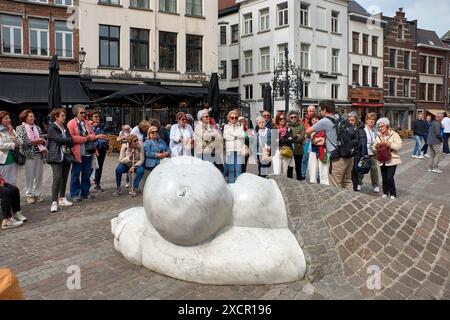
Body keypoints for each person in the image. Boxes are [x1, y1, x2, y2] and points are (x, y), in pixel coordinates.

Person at [306, 100, 354, 190]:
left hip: (337, 157)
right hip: (349, 155)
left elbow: (308, 131)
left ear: (324, 109)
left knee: (335, 184)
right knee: (347, 182)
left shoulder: (325, 121)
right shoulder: (341, 118)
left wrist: (314, 133)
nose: (320, 112)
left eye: (320, 110)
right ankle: (350, 201)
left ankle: (339, 203)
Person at [67, 105, 100, 202]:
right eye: (81, 112)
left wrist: (91, 137)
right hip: (77, 152)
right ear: (75, 113)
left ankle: (85, 192)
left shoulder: (86, 122)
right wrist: (85, 138)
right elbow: (71, 138)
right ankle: (74, 194)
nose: (83, 114)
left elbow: (93, 134)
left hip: (88, 152)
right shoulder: (71, 123)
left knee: (86, 173)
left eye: (84, 112)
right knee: (76, 174)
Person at [16, 109, 47, 204]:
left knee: (39, 176)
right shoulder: (20, 128)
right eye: (30, 116)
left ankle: (37, 194)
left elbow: (41, 138)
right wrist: (35, 141)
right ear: (25, 118)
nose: (33, 118)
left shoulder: (37, 127)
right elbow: (22, 142)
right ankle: (29, 194)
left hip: (39, 154)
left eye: (33, 116)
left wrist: (42, 140)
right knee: (29, 176)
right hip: (29, 155)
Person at [47, 108, 74, 213]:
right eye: (62, 115)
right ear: (56, 117)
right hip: (56, 156)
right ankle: (54, 202)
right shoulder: (52, 128)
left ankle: (62, 198)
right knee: (57, 178)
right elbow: (59, 140)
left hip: (66, 155)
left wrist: (67, 140)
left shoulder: (65, 127)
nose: (64, 117)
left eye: (64, 115)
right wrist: (67, 140)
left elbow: (71, 141)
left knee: (64, 177)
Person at [373, 118, 402, 200]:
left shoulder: (394, 134)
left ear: (387, 126)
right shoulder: (378, 135)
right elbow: (374, 148)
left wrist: (389, 144)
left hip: (392, 159)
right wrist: (377, 145)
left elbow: (399, 146)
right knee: (384, 177)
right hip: (382, 159)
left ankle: (393, 193)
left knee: (389, 177)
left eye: (382, 126)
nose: (380, 128)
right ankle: (385, 192)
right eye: (379, 126)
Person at [0, 111, 23, 186]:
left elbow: (21, 142)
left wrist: (12, 133)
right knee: (4, 182)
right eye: (5, 118)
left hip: (14, 159)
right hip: (3, 160)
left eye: (9, 118)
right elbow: (1, 146)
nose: (8, 120)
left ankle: (12, 197)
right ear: (0, 120)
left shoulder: (11, 129)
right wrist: (13, 145)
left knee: (13, 181)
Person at [359, 113, 380, 193]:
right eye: (369, 119)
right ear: (366, 120)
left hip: (373, 152)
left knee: (374, 169)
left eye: (373, 120)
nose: (371, 121)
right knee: (362, 168)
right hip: (364, 151)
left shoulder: (375, 130)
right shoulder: (362, 129)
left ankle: (375, 185)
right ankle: (359, 183)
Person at [347, 112, 368, 192]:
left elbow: (363, 144)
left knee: (354, 175)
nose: (350, 122)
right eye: (349, 120)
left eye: (352, 120)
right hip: (348, 155)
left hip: (356, 156)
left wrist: (364, 156)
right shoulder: (347, 129)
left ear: (356, 120)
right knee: (348, 174)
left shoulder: (361, 130)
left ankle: (354, 190)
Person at [223, 109, 245, 183]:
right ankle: (232, 185)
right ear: (229, 118)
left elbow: (243, 135)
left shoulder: (240, 126)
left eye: (236, 117)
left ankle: (239, 186)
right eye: (232, 117)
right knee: (231, 170)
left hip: (239, 149)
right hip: (230, 150)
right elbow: (225, 136)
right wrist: (236, 136)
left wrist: (233, 135)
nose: (234, 119)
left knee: (238, 169)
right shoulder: (226, 126)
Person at [89, 110, 109, 191]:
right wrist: (98, 135)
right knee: (90, 167)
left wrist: (97, 135)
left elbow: (105, 136)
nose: (98, 118)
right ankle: (86, 184)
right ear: (91, 118)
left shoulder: (102, 125)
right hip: (93, 148)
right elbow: (90, 137)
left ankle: (97, 183)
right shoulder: (89, 126)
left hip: (102, 147)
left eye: (98, 116)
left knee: (99, 166)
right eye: (95, 116)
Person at [308, 115, 329, 185]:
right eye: (313, 120)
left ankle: (324, 184)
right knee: (313, 171)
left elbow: (323, 141)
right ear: (311, 122)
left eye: (316, 119)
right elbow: (313, 141)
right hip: (313, 152)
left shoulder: (324, 129)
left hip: (323, 152)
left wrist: (317, 140)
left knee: (323, 171)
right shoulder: (311, 130)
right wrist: (320, 139)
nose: (315, 121)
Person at [287, 110, 305, 180]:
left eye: (295, 117)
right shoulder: (287, 126)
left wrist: (293, 136)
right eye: (291, 117)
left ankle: (299, 180)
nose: (293, 118)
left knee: (298, 167)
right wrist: (297, 135)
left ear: (297, 117)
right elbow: (288, 137)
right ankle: (289, 181)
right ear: (289, 118)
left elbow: (302, 138)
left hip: (299, 149)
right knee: (290, 168)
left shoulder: (301, 126)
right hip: (290, 150)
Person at [301, 105, 317, 180]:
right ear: (307, 111)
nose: (311, 112)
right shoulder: (304, 120)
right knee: (305, 157)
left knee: (317, 158)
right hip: (307, 141)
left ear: (315, 111)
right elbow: (302, 130)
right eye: (310, 111)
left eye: (313, 111)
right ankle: (302, 174)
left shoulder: (318, 118)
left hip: (316, 140)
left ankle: (318, 176)